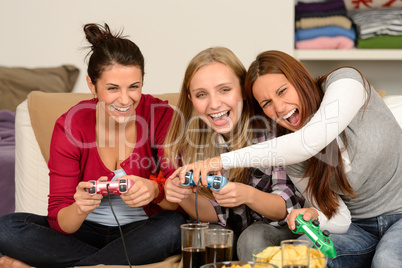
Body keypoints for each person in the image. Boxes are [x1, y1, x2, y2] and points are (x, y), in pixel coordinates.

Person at [171, 50, 402, 267]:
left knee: (387, 260)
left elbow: (312, 139)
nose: (280, 108)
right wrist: (315, 215)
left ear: (300, 77)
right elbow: (340, 218)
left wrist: (218, 162)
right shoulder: (291, 155)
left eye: (282, 91)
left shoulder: (346, 81)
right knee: (303, 256)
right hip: (358, 229)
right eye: (267, 103)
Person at [0, 23, 187, 267]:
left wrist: (155, 191)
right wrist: (79, 208)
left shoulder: (161, 115)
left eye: (134, 86)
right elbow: (60, 220)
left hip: (142, 232)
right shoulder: (70, 125)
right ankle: (105, 263)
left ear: (142, 81)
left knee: (175, 227)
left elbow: (178, 198)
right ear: (92, 85)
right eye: (112, 88)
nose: (124, 99)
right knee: (6, 228)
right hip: (83, 233)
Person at [163, 47, 304, 261]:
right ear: (191, 98)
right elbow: (216, 215)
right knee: (206, 235)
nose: (214, 104)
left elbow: (286, 207)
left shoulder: (271, 130)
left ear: (243, 90)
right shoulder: (192, 141)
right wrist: (183, 195)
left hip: (278, 229)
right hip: (233, 231)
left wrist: (247, 194)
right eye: (202, 94)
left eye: (224, 90)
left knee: (253, 236)